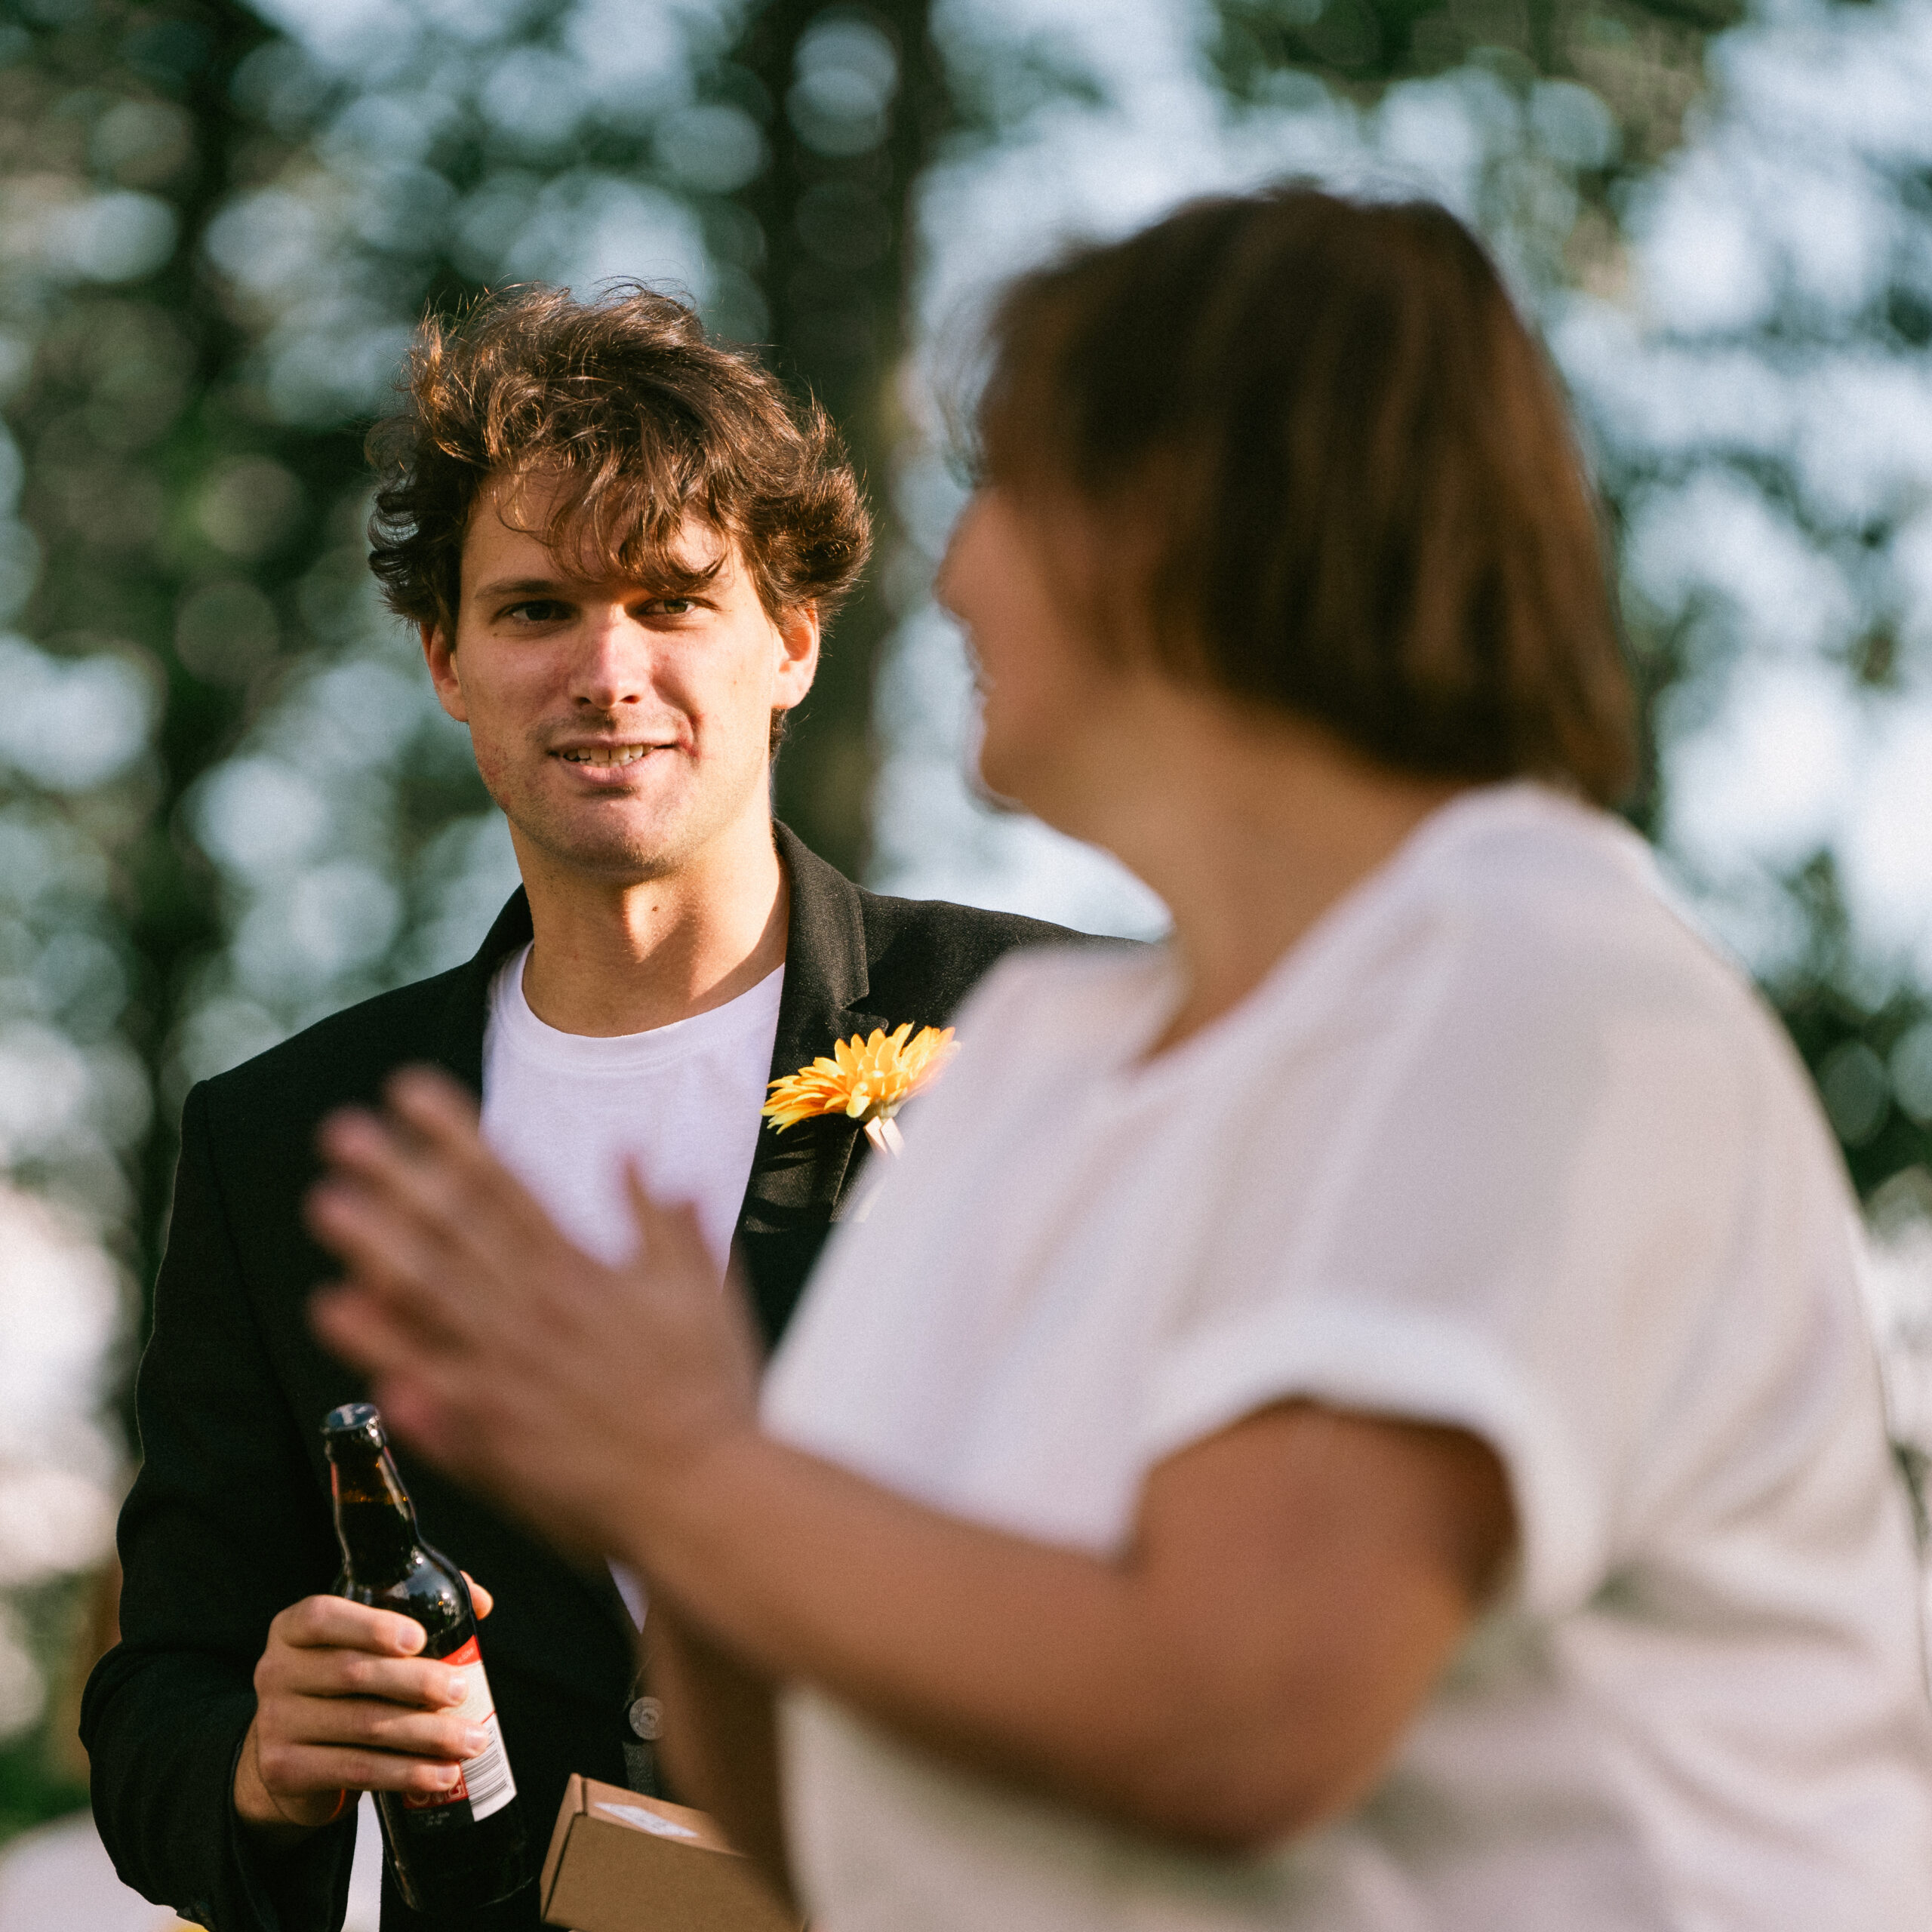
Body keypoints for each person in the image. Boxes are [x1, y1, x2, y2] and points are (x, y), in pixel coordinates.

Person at [305, 189, 1932, 1932]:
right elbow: (818, 1813)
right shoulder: (1042, 1054)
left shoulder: (1526, 994)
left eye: (1007, 485)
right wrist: (674, 1496)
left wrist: (684, 1469)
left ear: (1192, 525)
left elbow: (1237, 1718)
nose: (950, 572)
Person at [81, 285, 1087, 1932]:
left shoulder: (1059, 1031)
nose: (608, 670)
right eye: (537, 608)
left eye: (674, 599)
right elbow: (154, 1702)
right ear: (447, 661)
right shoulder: (280, 1140)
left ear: (792, 642)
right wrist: (258, 1755)